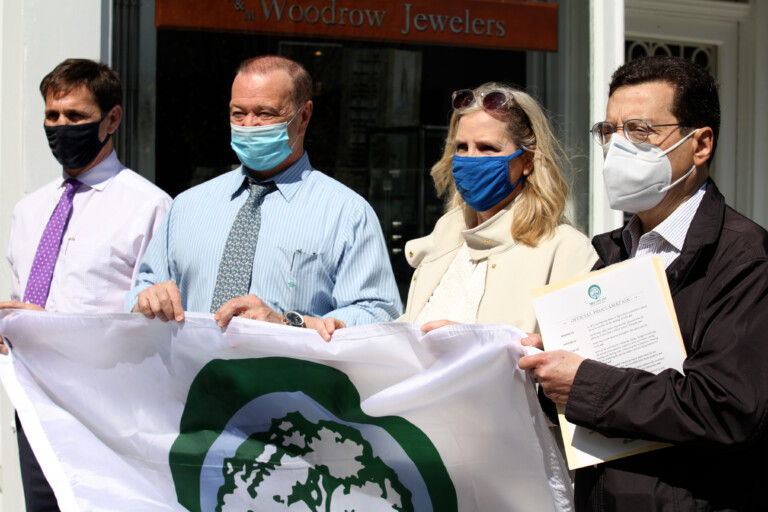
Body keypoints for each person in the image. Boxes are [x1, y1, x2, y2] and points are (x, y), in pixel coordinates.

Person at [519, 56, 768, 510]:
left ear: (700, 144)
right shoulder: (614, 250)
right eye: (609, 132)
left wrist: (585, 382)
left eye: (641, 131)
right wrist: (550, 366)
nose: (618, 148)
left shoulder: (745, 258)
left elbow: (726, 407)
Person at [126, 55, 401, 339]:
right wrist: (147, 299)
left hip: (290, 379)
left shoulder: (347, 213)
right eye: (238, 113)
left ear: (304, 116)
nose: (249, 125)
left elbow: (378, 315)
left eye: (265, 113)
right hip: (193, 379)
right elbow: (142, 289)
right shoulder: (187, 207)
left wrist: (289, 323)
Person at [1, 59, 171, 511]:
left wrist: (59, 328)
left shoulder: (150, 208)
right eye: (52, 116)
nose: (61, 128)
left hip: (108, 414)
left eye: (75, 117)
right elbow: (27, 301)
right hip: (36, 406)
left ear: (111, 119)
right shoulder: (29, 210)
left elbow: (157, 323)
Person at [400, 82, 596, 332]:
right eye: (462, 147)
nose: (471, 159)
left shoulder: (566, 250)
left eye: (487, 148)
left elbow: (574, 359)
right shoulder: (446, 237)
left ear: (527, 161)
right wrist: (350, 333)